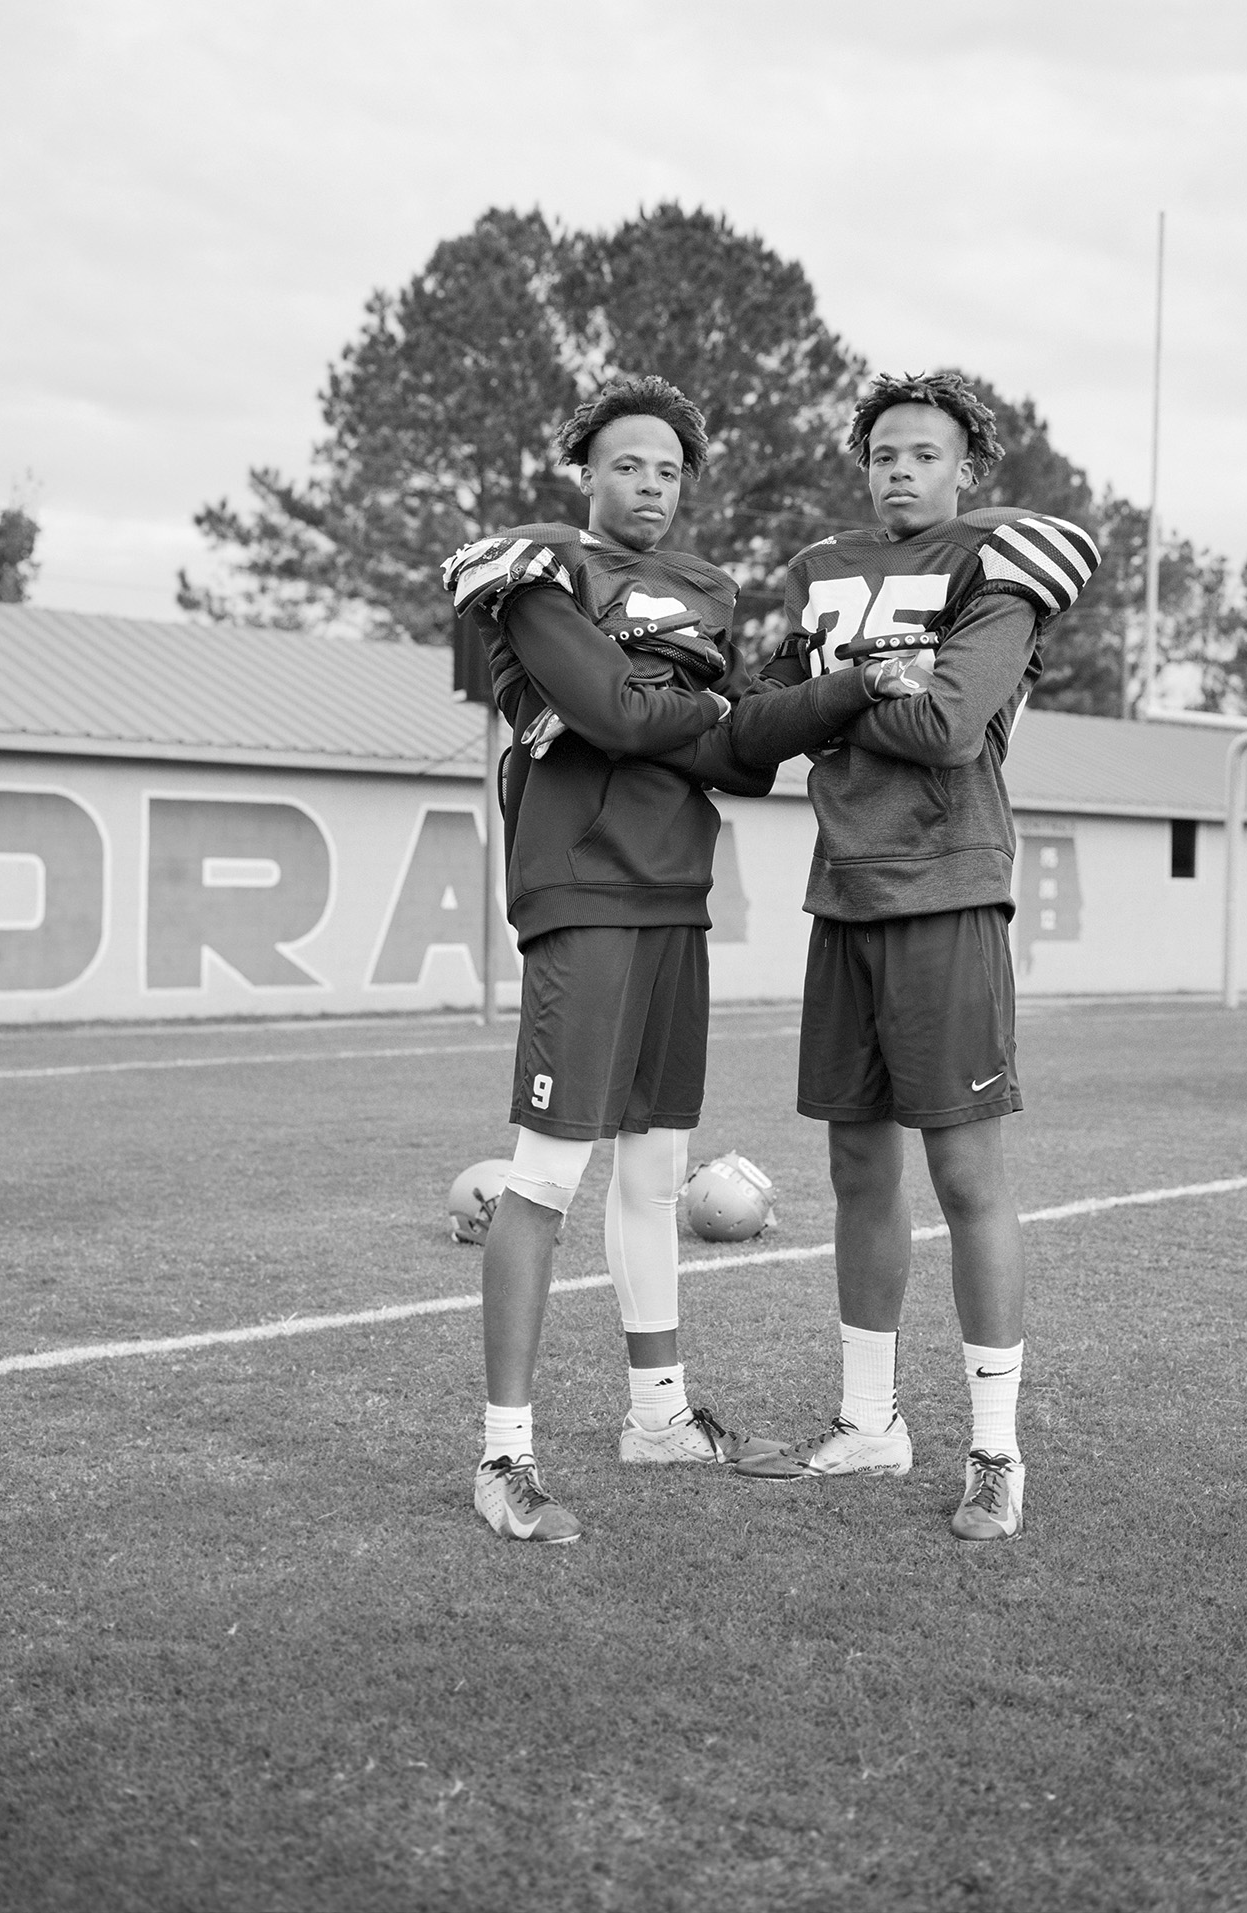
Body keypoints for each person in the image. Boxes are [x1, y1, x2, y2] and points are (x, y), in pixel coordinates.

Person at [440, 375, 922, 1545]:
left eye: (668, 470)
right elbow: (612, 710)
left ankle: (657, 1414)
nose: (649, 485)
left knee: (655, 1173)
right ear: (587, 473)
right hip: (584, 889)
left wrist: (845, 690)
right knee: (546, 1174)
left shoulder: (706, 588)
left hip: (675, 894)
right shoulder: (537, 570)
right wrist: (693, 706)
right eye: (628, 465)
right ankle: (502, 1458)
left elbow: (745, 752)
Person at [727, 371, 1099, 1542]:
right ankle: (869, 1422)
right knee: (855, 1169)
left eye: (925, 453)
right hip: (843, 895)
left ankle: (997, 1452)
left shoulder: (995, 570)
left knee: (967, 1178)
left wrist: (829, 698)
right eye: (884, 451)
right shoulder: (825, 570)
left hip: (946, 892)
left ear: (966, 472)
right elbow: (751, 725)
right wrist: (859, 681)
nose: (900, 469)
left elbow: (945, 729)